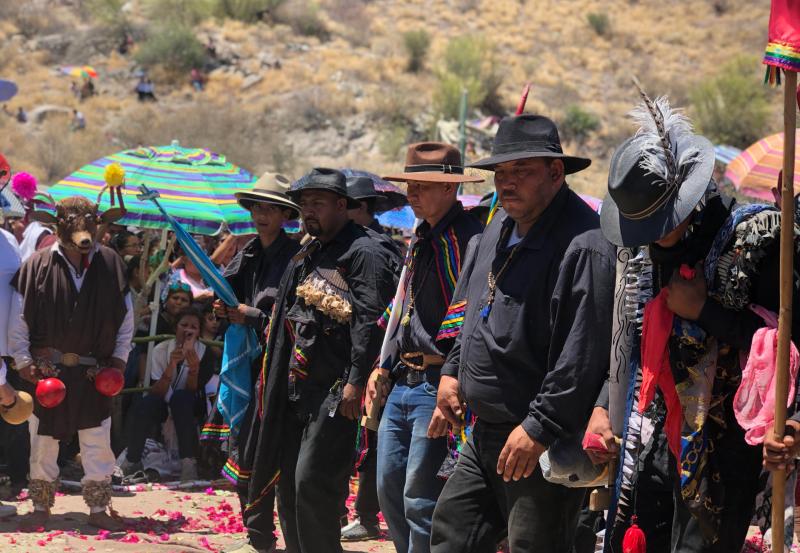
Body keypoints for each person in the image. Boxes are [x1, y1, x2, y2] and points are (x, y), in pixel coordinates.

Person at [592, 92, 798, 552]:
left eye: (657, 224)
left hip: (725, 454)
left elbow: (781, 343)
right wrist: (605, 403)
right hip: (654, 437)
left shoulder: (757, 240)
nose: (647, 240)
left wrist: (702, 311)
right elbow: (631, 344)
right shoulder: (648, 257)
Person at [429, 114, 615, 553]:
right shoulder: (498, 228)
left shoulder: (584, 243)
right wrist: (452, 372)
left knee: (536, 544)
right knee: (452, 533)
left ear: (555, 173)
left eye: (521, 171)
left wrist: (538, 427)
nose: (506, 183)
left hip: (540, 437)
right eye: (500, 173)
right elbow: (474, 313)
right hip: (486, 433)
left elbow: (582, 355)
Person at [243, 168, 397, 553]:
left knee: (314, 482)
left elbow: (370, 321)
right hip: (297, 388)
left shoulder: (365, 252)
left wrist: (356, 381)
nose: (309, 211)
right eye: (304, 204)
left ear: (342, 205)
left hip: (336, 390)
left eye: (319, 203)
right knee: (289, 486)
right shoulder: (308, 251)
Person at [359, 143, 484, 551]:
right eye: (409, 184)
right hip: (403, 380)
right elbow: (403, 306)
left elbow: (469, 319)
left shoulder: (469, 241)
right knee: (389, 489)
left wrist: (452, 381)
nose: (411, 193)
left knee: (420, 497)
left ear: (449, 189)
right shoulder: (421, 239)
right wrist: (383, 365)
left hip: (438, 382)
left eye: (422, 185)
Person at [8, 195, 133, 531]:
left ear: (97, 223)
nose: (83, 231)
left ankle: (97, 507)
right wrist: (22, 362)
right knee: (43, 441)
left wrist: (119, 361)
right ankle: (40, 505)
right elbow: (19, 318)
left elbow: (126, 319)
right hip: (49, 371)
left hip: (96, 371)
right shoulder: (36, 264)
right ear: (57, 224)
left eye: (89, 221)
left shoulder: (111, 264)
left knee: (96, 439)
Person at [206, 173, 301, 553]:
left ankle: (267, 536)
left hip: (278, 370)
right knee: (242, 452)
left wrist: (252, 315)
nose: (262, 214)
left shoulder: (296, 258)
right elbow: (221, 290)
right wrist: (222, 309)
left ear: (284, 215)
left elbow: (294, 319)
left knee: (266, 456)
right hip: (246, 367)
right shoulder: (247, 254)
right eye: (257, 206)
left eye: (272, 208)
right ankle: (255, 535)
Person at [122, 307, 216, 481]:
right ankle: (132, 459)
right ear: (175, 328)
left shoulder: (205, 353)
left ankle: (188, 462)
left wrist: (193, 368)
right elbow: (157, 390)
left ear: (199, 332)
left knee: (181, 399)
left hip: (189, 402)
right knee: (146, 404)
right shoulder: (161, 350)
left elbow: (192, 390)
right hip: (164, 400)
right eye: (184, 325)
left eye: (193, 327)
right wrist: (172, 365)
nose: (188, 330)